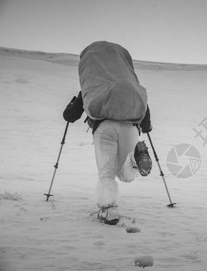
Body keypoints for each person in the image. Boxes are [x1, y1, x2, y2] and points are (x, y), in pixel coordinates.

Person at [63, 41, 153, 225]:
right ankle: (135, 162)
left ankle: (109, 211)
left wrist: (73, 105)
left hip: (105, 129)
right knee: (124, 174)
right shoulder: (130, 85)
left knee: (107, 173)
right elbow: (145, 115)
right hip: (130, 129)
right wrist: (147, 127)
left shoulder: (95, 87)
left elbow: (70, 116)